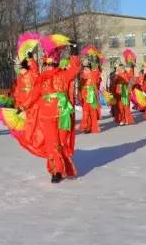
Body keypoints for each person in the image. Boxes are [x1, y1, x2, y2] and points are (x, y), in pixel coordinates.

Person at [18, 46, 81, 183]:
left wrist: (74, 53)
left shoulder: (63, 75)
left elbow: (75, 69)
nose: (49, 67)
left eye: (52, 64)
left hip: (63, 113)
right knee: (52, 144)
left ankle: (64, 168)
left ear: (56, 64)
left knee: (62, 143)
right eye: (46, 64)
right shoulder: (41, 80)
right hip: (46, 115)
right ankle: (57, 170)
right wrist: (23, 106)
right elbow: (34, 95)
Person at [79, 58, 101, 133]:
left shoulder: (93, 75)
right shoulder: (82, 77)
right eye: (84, 69)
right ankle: (86, 127)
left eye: (87, 69)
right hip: (85, 97)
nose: (85, 71)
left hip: (92, 97)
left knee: (93, 112)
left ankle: (94, 127)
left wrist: (94, 60)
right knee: (86, 112)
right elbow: (80, 87)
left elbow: (97, 72)